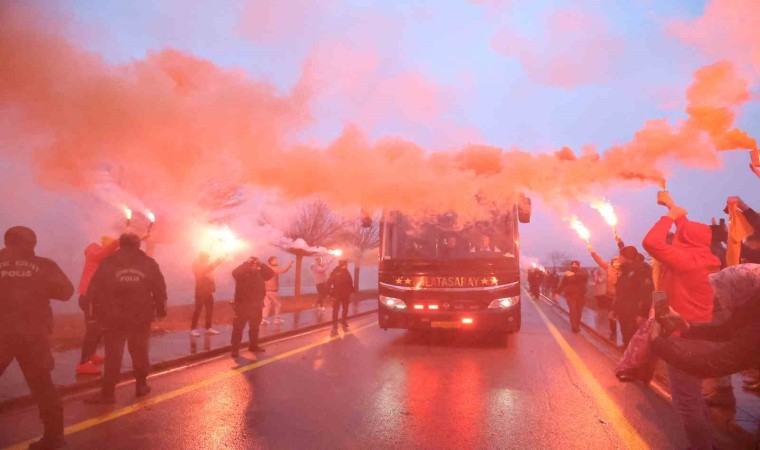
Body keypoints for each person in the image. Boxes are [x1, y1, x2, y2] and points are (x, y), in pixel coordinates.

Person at [642, 193, 721, 450]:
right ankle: (707, 442)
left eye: (679, 233)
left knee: (686, 401)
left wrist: (669, 216)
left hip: (682, 338)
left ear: (684, 240)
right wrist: (672, 205)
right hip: (697, 334)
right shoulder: (702, 258)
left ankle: (702, 447)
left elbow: (651, 242)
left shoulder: (687, 261)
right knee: (694, 396)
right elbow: (688, 231)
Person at [0, 226, 74, 449]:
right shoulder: (45, 265)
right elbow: (66, 292)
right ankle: (54, 437)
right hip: (34, 335)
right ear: (32, 243)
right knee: (42, 385)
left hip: (2, 332)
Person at [85, 233, 168, 404]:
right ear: (138, 245)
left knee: (113, 353)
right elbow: (159, 290)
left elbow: (95, 289)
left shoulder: (109, 262)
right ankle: (141, 385)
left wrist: (93, 314)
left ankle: (108, 393)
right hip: (141, 315)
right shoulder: (148, 263)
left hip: (113, 316)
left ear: (120, 244)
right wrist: (161, 311)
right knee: (139, 350)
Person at [651, 264, 760, 378]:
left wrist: (656, 342)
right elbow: (728, 331)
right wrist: (687, 327)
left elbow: (709, 365)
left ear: (742, 293)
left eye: (722, 295)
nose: (720, 301)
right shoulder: (753, 308)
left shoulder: (755, 328)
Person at [76, 236, 120, 375]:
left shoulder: (106, 260)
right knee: (92, 331)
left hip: (98, 299)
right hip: (89, 298)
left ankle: (92, 355)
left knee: (99, 328)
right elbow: (103, 253)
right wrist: (120, 239)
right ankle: (83, 363)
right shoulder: (94, 252)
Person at [231, 257, 274, 356]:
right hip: (242, 305)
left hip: (257, 305)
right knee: (238, 328)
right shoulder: (242, 273)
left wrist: (262, 264)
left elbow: (270, 274)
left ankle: (253, 346)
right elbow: (235, 273)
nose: (255, 266)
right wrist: (247, 263)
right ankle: (235, 349)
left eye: (256, 265)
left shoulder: (260, 273)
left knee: (254, 327)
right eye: (253, 264)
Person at [612, 246, 653, 348]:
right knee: (627, 340)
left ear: (627, 257)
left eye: (620, 255)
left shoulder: (641, 271)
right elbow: (620, 293)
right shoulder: (624, 273)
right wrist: (614, 309)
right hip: (624, 314)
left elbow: (646, 293)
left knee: (636, 344)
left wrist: (643, 314)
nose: (618, 258)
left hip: (634, 316)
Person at [588, 246, 622, 342]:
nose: (616, 263)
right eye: (614, 261)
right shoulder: (608, 268)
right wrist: (592, 251)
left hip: (621, 298)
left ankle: (625, 336)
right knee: (611, 315)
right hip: (610, 296)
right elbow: (599, 261)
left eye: (618, 261)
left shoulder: (624, 270)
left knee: (622, 318)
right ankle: (613, 332)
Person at [190, 252, 223, 337]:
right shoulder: (197, 265)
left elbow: (210, 275)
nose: (208, 259)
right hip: (200, 291)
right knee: (198, 309)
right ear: (202, 258)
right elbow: (206, 270)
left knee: (209, 309)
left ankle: (208, 328)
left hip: (208, 291)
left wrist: (212, 287)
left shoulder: (203, 264)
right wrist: (217, 262)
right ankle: (193, 329)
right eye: (207, 258)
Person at [557, 260, 588, 333]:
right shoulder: (567, 274)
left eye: (576, 264)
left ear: (578, 266)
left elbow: (584, 277)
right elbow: (563, 284)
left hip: (581, 295)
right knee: (573, 311)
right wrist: (557, 292)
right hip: (571, 295)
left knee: (579, 312)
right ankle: (574, 327)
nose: (574, 266)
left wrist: (573, 274)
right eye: (573, 264)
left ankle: (577, 325)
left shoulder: (582, 272)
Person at [262, 256, 293, 325]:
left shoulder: (266, 269)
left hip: (266, 291)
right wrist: (289, 263)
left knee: (267, 305)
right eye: (276, 260)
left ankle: (263, 319)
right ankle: (277, 319)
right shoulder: (273, 269)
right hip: (272, 290)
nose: (277, 261)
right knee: (278, 304)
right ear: (271, 261)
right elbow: (283, 270)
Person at [328, 260, 354, 330]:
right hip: (339, 293)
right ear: (344, 264)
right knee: (339, 308)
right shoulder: (338, 272)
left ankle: (341, 322)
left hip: (343, 293)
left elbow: (350, 282)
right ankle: (338, 323)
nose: (346, 265)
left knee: (341, 308)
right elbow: (350, 282)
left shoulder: (343, 272)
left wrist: (351, 290)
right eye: (346, 264)